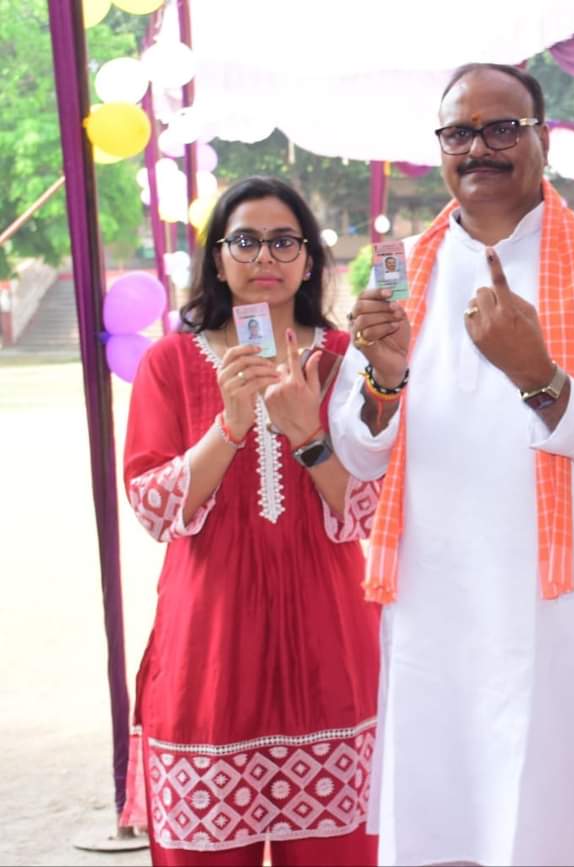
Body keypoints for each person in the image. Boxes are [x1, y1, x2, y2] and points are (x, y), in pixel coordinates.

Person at [329, 63, 574, 865]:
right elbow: (360, 451)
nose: (480, 147)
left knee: (555, 825)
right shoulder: (402, 267)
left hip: (555, 603)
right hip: (435, 595)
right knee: (439, 815)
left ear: (544, 138)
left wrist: (534, 372)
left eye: (503, 127)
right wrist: (385, 373)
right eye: (459, 133)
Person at [121, 176, 382, 866]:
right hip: (207, 648)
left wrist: (307, 436)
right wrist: (229, 426)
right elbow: (153, 506)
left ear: (307, 259)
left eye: (283, 240)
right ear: (216, 256)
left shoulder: (348, 360)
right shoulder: (170, 363)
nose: (265, 256)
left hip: (331, 641)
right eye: (246, 239)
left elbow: (367, 510)